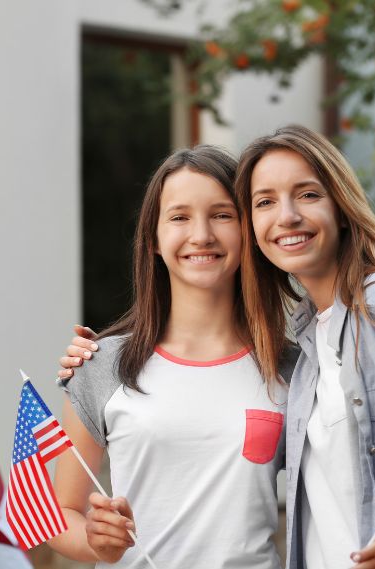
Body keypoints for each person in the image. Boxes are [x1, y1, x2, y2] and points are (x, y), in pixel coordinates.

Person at [48, 147, 294, 567]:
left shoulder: (292, 369)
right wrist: (97, 542)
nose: (201, 235)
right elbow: (60, 514)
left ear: (248, 231)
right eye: (180, 217)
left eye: (222, 214)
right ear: (154, 241)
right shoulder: (102, 363)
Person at [234, 125, 375, 569]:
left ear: (341, 208)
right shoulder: (301, 358)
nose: (286, 216)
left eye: (307, 194)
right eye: (265, 202)